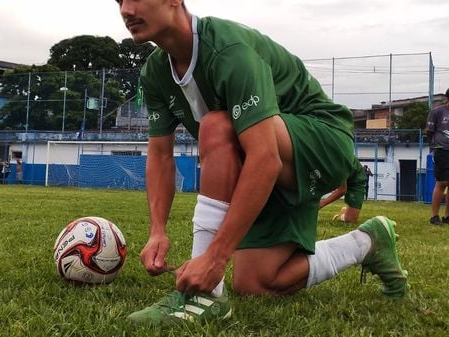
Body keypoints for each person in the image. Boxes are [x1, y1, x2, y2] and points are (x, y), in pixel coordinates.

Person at [116, 0, 407, 325]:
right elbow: (159, 154)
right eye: (117, 1)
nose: (126, 8)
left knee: (217, 126)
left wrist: (214, 257)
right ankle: (367, 242)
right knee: (256, 282)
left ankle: (201, 298)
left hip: (322, 140)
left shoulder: (228, 50)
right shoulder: (155, 72)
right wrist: (157, 231)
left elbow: (265, 158)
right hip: (263, 155)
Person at [426, 88, 449, 225]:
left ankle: (447, 216)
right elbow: (429, 131)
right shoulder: (437, 112)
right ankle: (435, 216)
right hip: (442, 150)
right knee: (442, 182)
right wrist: (435, 146)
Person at [319, 158, 367, 224]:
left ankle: (342, 213)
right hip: (339, 171)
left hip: (356, 180)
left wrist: (321, 204)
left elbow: (342, 190)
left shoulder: (338, 162)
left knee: (350, 220)